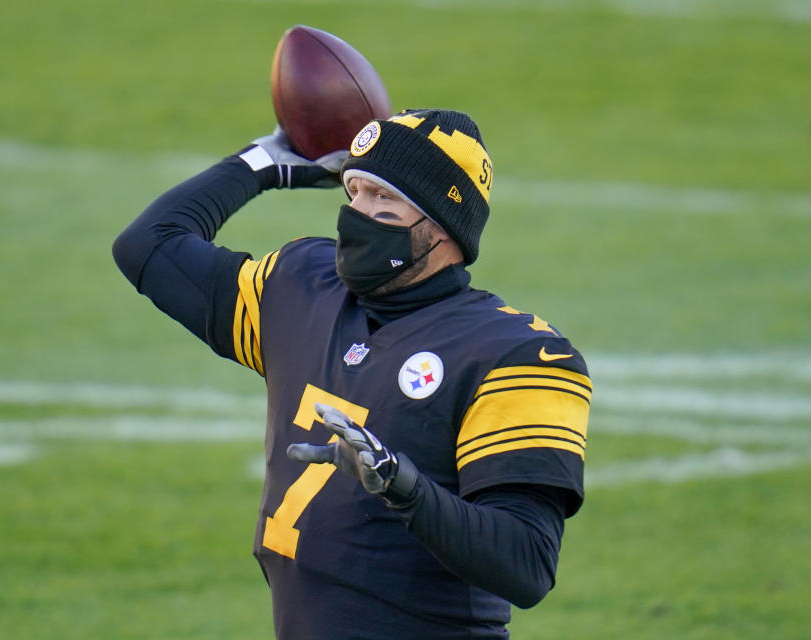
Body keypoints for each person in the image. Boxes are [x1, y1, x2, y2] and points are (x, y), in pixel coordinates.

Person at [113, 109, 592, 639]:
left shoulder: (517, 355)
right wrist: (260, 165)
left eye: (384, 199)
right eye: (354, 190)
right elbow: (148, 246)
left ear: (443, 228)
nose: (357, 214)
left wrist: (400, 484)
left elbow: (526, 565)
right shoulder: (302, 285)